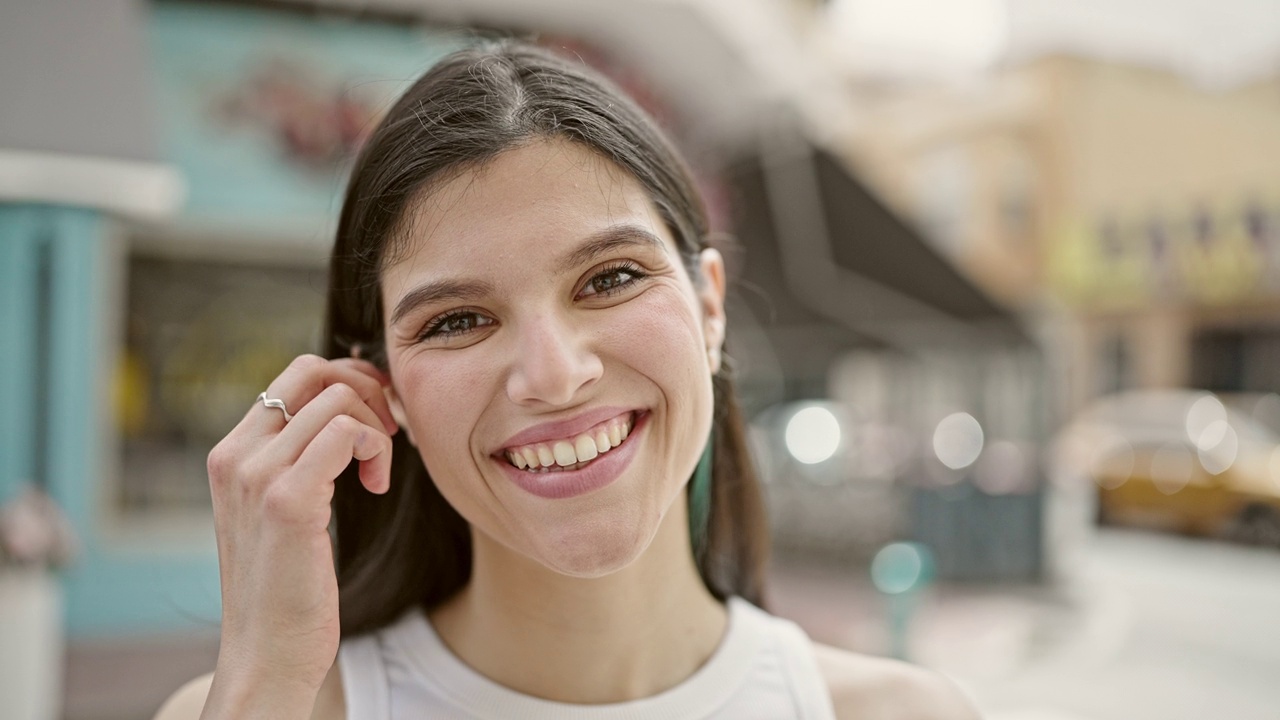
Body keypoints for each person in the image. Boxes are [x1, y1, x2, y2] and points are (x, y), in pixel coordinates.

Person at [155, 40, 980, 720]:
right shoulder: (261, 708)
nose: (552, 375)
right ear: (382, 388)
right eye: (456, 320)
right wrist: (262, 683)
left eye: (611, 278)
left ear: (710, 307)